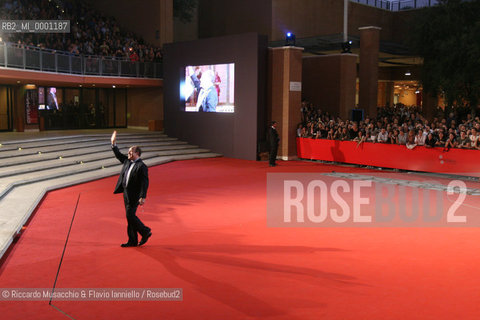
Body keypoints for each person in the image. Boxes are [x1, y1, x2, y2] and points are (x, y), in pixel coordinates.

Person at [110, 131, 152, 247]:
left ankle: (145, 231)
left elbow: (145, 183)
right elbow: (118, 154)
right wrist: (113, 144)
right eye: (128, 152)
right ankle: (132, 240)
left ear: (137, 153)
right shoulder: (127, 161)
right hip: (126, 194)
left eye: (130, 152)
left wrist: (143, 197)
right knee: (129, 217)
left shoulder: (142, 166)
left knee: (130, 215)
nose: (128, 153)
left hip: (135, 195)